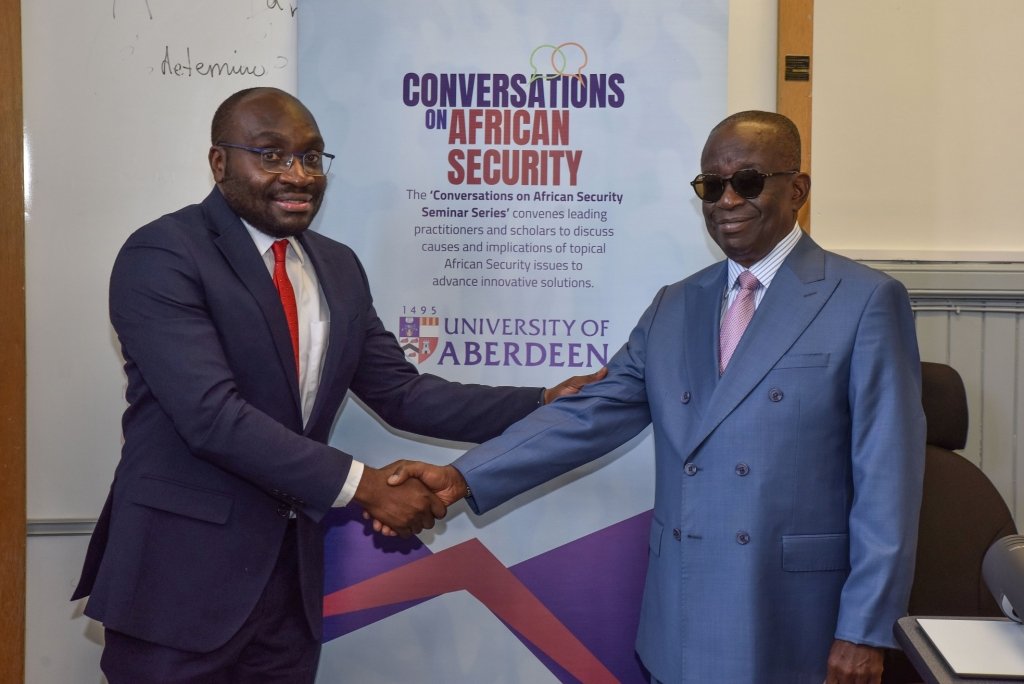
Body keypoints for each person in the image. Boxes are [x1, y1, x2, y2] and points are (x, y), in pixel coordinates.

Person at [71, 86, 603, 683]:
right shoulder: (163, 253)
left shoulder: (337, 266)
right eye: (270, 155)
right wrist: (366, 487)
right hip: (179, 584)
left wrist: (539, 402)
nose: (297, 175)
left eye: (311, 156)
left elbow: (403, 394)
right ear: (219, 163)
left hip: (287, 592)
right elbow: (211, 417)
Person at [385, 111, 926, 683]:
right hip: (685, 610)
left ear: (796, 190)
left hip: (794, 614)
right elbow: (590, 412)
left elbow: (887, 479)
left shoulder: (865, 300)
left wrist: (865, 627)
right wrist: (464, 476)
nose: (727, 201)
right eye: (711, 187)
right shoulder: (676, 305)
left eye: (747, 182)